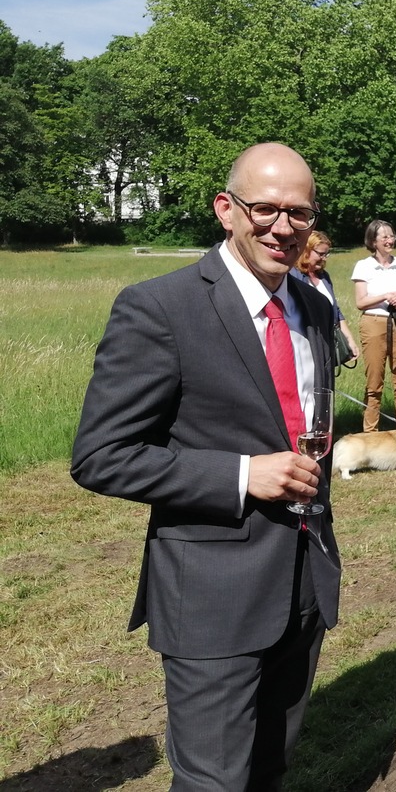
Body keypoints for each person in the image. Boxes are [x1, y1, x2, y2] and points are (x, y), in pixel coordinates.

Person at [71, 142, 341, 790]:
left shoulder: (317, 309)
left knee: (271, 769)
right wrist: (243, 475)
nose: (283, 226)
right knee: (213, 782)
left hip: (305, 583)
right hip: (213, 595)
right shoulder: (160, 308)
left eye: (298, 212)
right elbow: (100, 455)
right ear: (227, 209)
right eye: (265, 208)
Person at [352, 220, 396, 429]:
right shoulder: (363, 266)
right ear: (373, 241)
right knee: (374, 384)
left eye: (392, 235)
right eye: (384, 237)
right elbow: (360, 302)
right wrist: (386, 296)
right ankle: (370, 434)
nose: (390, 240)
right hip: (374, 323)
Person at [294, 231, 360, 364]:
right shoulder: (293, 275)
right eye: (320, 254)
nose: (324, 258)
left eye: (326, 254)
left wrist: (349, 340)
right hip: (305, 340)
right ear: (306, 250)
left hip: (328, 341)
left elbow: (336, 310)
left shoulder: (324, 276)